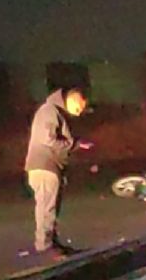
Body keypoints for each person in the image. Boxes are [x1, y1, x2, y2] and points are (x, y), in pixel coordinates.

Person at [24, 86, 94, 258]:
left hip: (50, 166)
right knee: (46, 208)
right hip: (45, 166)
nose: (79, 112)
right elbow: (48, 139)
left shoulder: (55, 112)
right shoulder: (49, 111)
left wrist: (75, 144)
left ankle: (51, 243)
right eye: (78, 108)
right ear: (71, 100)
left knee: (50, 207)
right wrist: (74, 144)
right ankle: (45, 246)